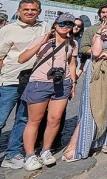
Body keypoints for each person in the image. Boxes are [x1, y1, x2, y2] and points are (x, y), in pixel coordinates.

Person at [64, 10, 107, 161]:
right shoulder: (101, 33)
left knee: (106, 107)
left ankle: (99, 140)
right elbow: (96, 53)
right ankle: (75, 145)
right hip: (96, 73)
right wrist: (98, 35)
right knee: (91, 108)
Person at [18, 13, 78, 171]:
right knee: (34, 121)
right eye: (62, 23)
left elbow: (72, 64)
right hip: (40, 83)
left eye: (69, 24)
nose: (65, 27)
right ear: (55, 24)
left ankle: (46, 151)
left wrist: (73, 82)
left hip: (62, 83)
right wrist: (42, 43)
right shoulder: (43, 39)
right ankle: (30, 155)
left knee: (55, 119)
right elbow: (22, 59)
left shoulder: (72, 43)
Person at [0, 0, 51, 170]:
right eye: (26, 9)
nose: (30, 12)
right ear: (19, 10)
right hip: (10, 80)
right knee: (1, 119)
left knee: (23, 119)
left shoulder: (44, 27)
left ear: (39, 11)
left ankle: (12, 154)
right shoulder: (7, 30)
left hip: (32, 82)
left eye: (34, 10)